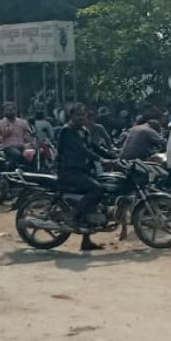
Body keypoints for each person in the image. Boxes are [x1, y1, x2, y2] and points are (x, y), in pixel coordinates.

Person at [56, 104, 116, 252]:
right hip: (70, 171)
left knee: (97, 199)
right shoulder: (67, 131)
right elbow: (81, 150)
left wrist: (114, 156)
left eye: (83, 115)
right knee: (96, 189)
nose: (82, 118)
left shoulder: (83, 130)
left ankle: (86, 242)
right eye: (78, 115)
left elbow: (94, 147)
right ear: (71, 117)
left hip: (84, 170)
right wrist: (101, 160)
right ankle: (74, 216)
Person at [0, 102, 34, 170]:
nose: (9, 112)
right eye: (7, 110)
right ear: (4, 111)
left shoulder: (22, 122)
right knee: (16, 154)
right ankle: (8, 169)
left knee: (32, 156)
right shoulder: (0, 124)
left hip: (21, 147)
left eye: (11, 110)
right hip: (8, 147)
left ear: (15, 110)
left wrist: (33, 143)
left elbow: (29, 135)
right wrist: (4, 136)